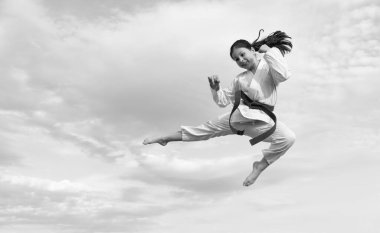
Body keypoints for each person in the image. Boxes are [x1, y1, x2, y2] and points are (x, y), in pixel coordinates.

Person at [143, 30, 296, 187]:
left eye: (243, 54)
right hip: (240, 117)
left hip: (261, 121)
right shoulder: (240, 79)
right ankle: (165, 138)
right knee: (203, 130)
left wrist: (270, 51)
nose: (241, 60)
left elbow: (283, 75)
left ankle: (260, 165)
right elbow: (223, 101)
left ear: (252, 50)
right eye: (237, 59)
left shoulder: (269, 66)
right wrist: (215, 88)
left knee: (288, 138)